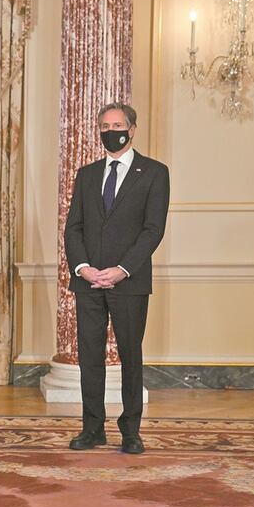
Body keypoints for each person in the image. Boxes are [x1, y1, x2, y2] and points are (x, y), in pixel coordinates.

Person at [64, 102, 170, 455]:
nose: (111, 131)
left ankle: (131, 431)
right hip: (88, 281)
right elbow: (73, 228)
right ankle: (92, 428)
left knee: (130, 356)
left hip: (130, 282)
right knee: (89, 358)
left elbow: (153, 230)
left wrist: (122, 269)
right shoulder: (87, 175)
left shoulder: (154, 173)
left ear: (133, 129)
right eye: (105, 125)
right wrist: (83, 267)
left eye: (118, 124)